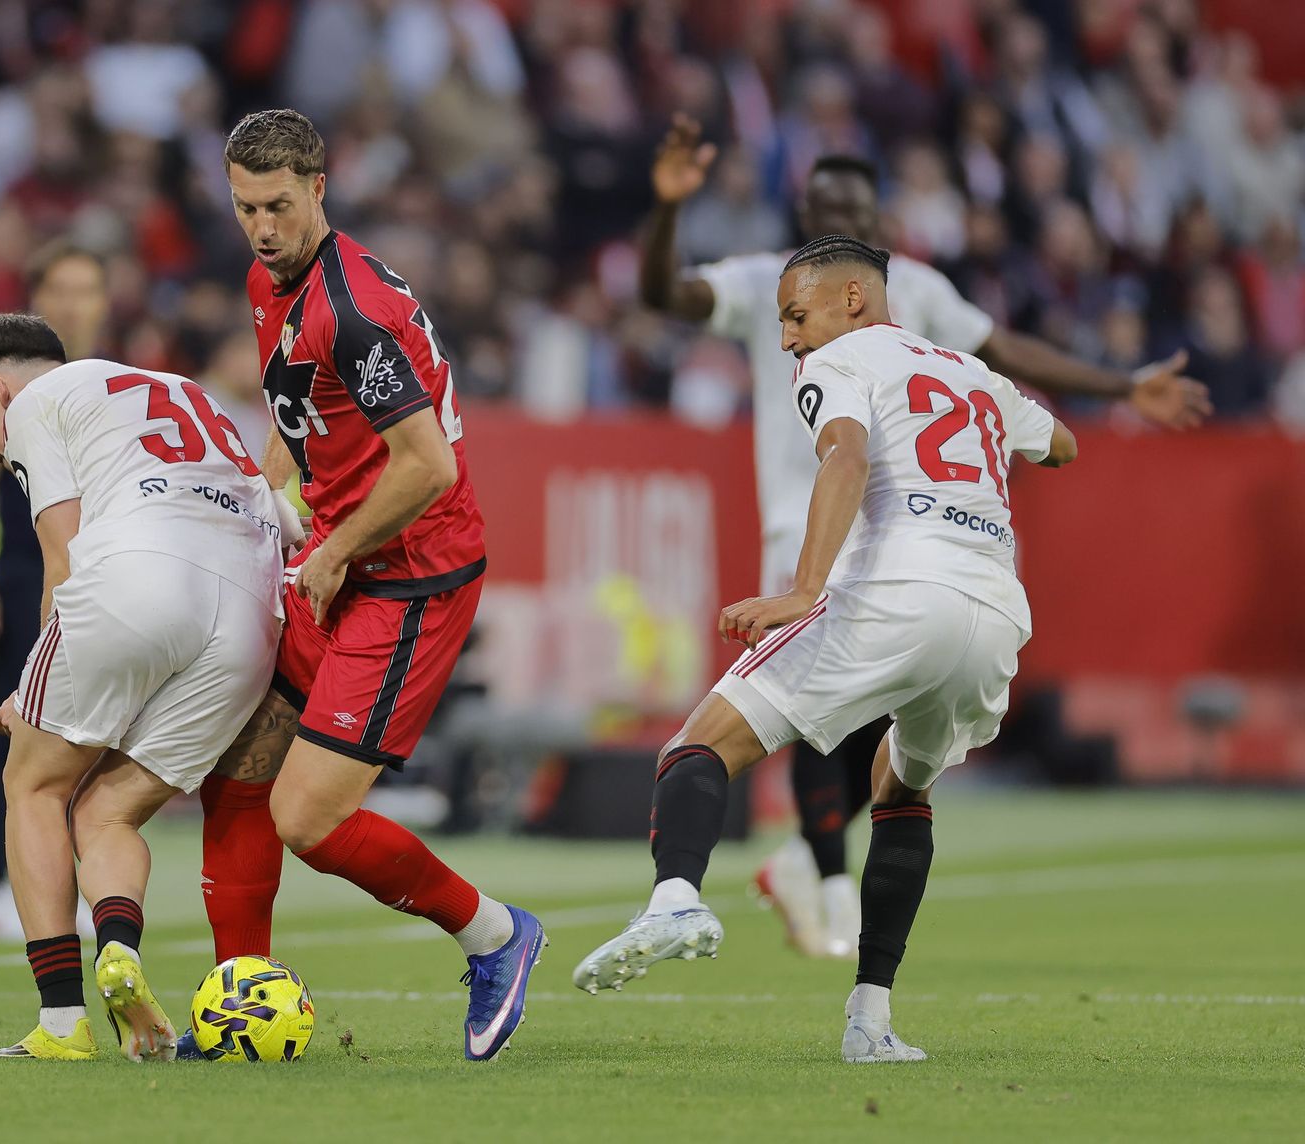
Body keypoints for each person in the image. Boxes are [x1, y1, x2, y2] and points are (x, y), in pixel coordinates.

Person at [637, 115, 1210, 958]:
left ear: (877, 231)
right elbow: (665, 295)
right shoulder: (775, 282)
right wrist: (666, 211)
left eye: (857, 214)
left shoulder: (916, 296)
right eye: (826, 211)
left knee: (813, 714)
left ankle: (804, 881)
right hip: (829, 535)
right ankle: (830, 885)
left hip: (896, 538)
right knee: (814, 722)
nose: (792, 331)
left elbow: (1004, 354)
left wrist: (1122, 385)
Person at [574, 234, 1079, 1062]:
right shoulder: (975, 374)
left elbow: (845, 455)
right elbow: (1061, 444)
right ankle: (869, 1023)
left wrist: (805, 588)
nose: (786, 341)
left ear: (852, 300)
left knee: (694, 746)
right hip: (993, 617)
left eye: (794, 316)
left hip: (895, 592)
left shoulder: (840, 361)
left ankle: (673, 898)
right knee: (899, 783)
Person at [195, 108, 543, 1063]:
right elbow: (295, 405)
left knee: (305, 815)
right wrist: (270, 483)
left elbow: (426, 465)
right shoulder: (278, 280)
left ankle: (497, 936)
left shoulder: (349, 310)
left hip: (410, 579)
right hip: (346, 561)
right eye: (242, 208)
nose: (260, 227)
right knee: (243, 767)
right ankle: (238, 1006)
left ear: (319, 187)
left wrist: (338, 548)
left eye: (275, 205)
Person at [0, 314, 290, 1062]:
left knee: (31, 786)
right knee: (108, 813)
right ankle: (118, 950)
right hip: (252, 615)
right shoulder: (187, 390)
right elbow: (281, 516)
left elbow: (64, 555)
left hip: (140, 574)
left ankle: (63, 1022)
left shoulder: (35, 403)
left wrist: (30, 682)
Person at [0, 243, 111, 941]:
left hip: (91, 566)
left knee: (85, 729)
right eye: (63, 287)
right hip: (24, 570)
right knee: (16, 723)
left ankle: (67, 880)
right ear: (39, 295)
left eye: (88, 288)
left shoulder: (107, 372)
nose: (75, 301)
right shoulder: (13, 368)